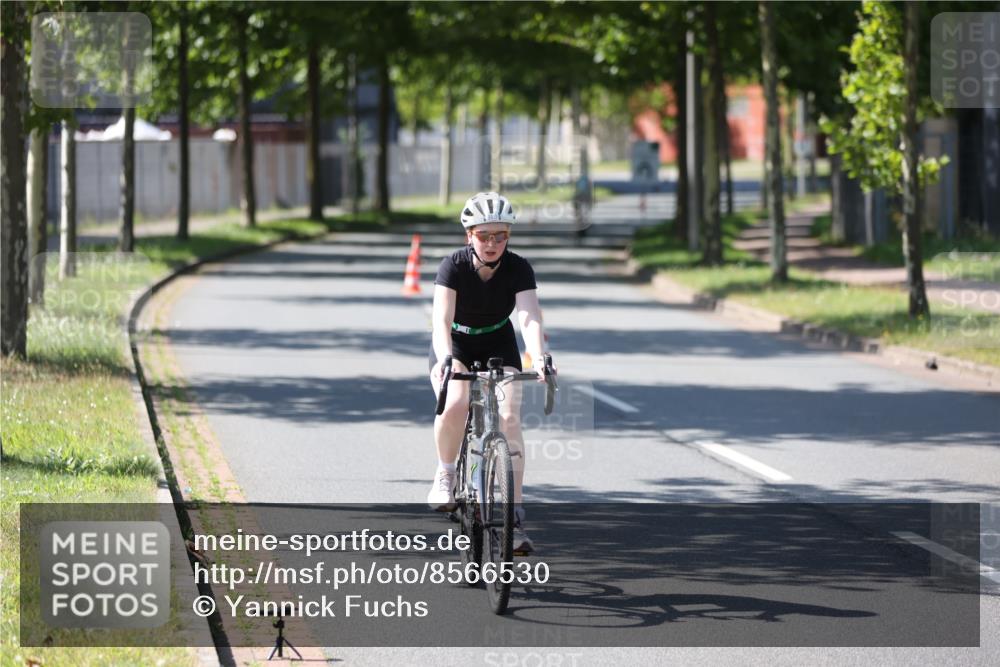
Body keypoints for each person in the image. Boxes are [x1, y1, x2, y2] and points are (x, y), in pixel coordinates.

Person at [427, 191, 552, 554]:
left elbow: (528, 316)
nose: (493, 243)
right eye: (484, 236)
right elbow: (441, 320)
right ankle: (446, 474)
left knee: (510, 416)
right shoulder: (452, 266)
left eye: (501, 235)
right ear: (470, 236)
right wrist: (446, 359)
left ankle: (514, 515)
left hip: (498, 341)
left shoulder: (519, 268)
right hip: (456, 344)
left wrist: (538, 356)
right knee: (456, 403)